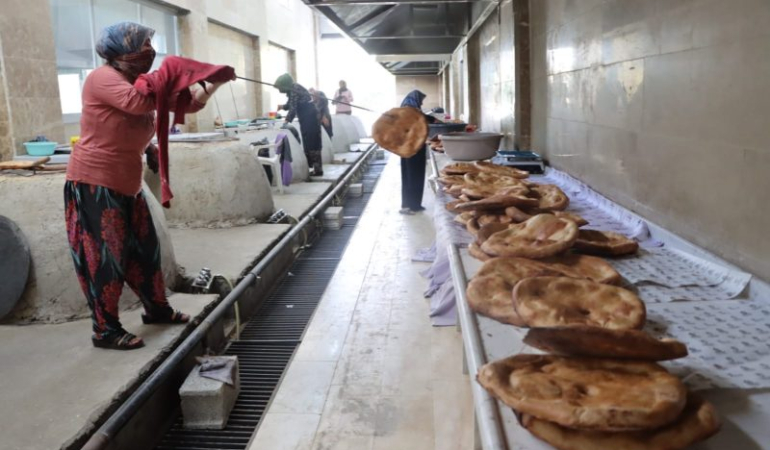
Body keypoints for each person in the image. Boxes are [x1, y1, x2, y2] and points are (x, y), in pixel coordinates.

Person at [64, 22, 230, 350]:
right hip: (94, 183)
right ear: (121, 51)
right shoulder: (103, 78)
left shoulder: (138, 82)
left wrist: (212, 81)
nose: (149, 52)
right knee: (105, 258)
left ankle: (157, 309)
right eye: (142, 45)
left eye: (151, 45)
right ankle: (105, 330)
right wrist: (174, 70)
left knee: (145, 251)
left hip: (128, 183)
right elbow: (136, 103)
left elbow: (190, 103)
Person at [275, 73, 324, 176]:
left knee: (312, 142)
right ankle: (313, 168)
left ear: (285, 84)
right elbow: (291, 104)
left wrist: (286, 121)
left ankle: (318, 170)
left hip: (310, 118)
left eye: (280, 87)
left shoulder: (294, 89)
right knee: (307, 142)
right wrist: (282, 107)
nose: (280, 90)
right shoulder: (293, 89)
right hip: (306, 118)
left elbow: (293, 108)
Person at [399, 90, 437, 215]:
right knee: (412, 176)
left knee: (415, 176)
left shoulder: (409, 109)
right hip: (412, 148)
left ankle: (414, 204)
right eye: (420, 99)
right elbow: (419, 118)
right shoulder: (409, 110)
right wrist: (433, 119)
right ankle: (409, 206)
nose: (421, 102)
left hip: (413, 147)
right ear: (415, 99)